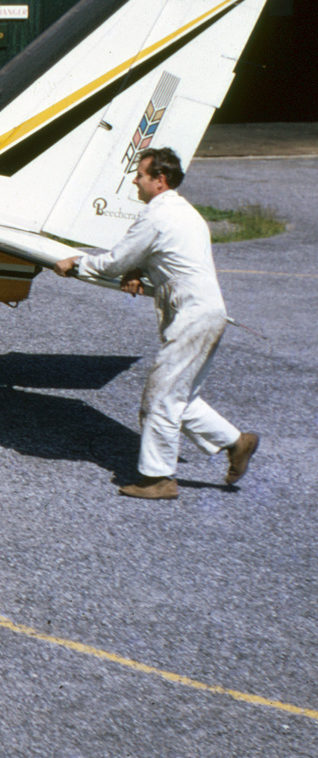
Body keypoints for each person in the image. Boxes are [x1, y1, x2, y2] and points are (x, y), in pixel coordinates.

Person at [52, 147, 257, 500]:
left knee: (160, 395)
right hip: (205, 314)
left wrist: (77, 264)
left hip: (193, 316)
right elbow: (164, 254)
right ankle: (236, 441)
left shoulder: (157, 216)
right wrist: (139, 268)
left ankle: (160, 479)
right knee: (180, 396)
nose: (135, 180)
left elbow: (115, 261)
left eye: (140, 175)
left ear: (158, 181)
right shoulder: (185, 212)